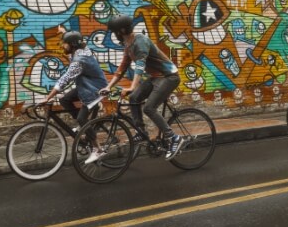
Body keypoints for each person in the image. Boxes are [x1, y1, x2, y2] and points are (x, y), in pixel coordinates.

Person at [101, 15, 185, 159]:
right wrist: (109, 86)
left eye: (115, 32)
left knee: (149, 108)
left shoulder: (140, 42)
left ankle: (173, 138)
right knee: (134, 98)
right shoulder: (128, 45)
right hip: (155, 77)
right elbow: (122, 67)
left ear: (121, 30)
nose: (114, 35)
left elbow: (140, 66)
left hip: (168, 76)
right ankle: (141, 131)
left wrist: (132, 86)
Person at [41, 30, 108, 163]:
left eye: (64, 44)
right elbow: (77, 39)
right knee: (64, 100)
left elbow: (65, 79)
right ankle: (82, 125)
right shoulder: (79, 49)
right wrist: (64, 33)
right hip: (86, 86)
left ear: (72, 45)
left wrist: (48, 98)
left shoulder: (79, 60)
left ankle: (98, 150)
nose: (62, 46)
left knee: (82, 119)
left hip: (94, 90)